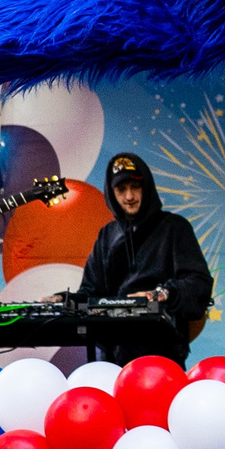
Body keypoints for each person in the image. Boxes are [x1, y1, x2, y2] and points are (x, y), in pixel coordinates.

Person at [75, 152, 212, 365]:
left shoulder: (175, 228)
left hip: (164, 356)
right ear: (112, 194)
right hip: (114, 359)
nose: (129, 196)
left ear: (146, 187)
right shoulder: (107, 236)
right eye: (121, 189)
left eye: (135, 187)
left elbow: (199, 283)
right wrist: (65, 301)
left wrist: (163, 294)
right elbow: (90, 292)